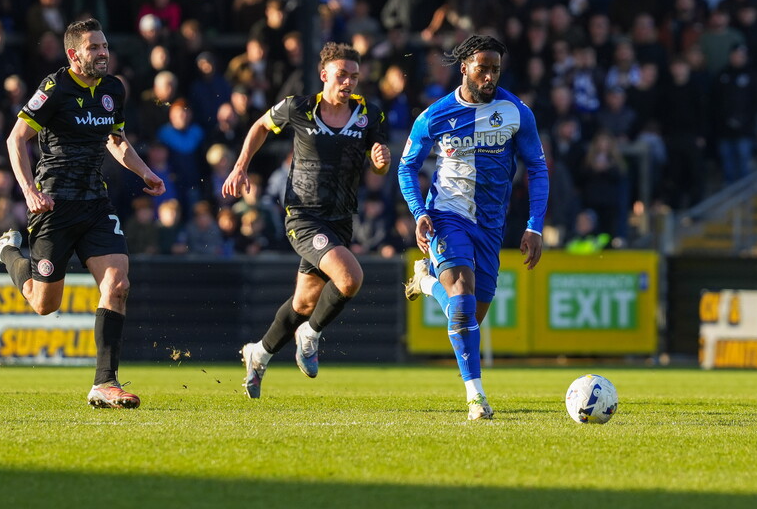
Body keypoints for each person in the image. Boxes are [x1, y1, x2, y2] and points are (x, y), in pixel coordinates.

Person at [0, 18, 165, 408]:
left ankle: (104, 383)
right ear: (73, 54)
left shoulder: (113, 89)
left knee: (118, 284)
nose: (103, 53)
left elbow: (116, 140)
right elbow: (16, 139)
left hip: (95, 203)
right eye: (94, 47)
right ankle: (5, 251)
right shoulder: (54, 88)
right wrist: (29, 191)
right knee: (45, 304)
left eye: (105, 46)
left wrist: (145, 173)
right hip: (54, 206)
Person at [225, 42, 390, 398]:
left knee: (303, 304)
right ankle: (310, 335)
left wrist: (381, 158)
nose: (348, 82)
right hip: (303, 216)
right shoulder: (299, 107)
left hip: (340, 220)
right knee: (349, 279)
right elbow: (260, 126)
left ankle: (259, 353)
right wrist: (240, 166)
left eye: (355, 76)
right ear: (324, 74)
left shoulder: (369, 114)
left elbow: (380, 163)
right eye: (342, 74)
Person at [399, 35, 549, 420]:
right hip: (447, 217)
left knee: (470, 315)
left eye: (495, 69)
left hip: (491, 227)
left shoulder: (517, 112)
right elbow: (406, 167)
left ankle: (427, 283)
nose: (489, 76)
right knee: (463, 301)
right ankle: (476, 399)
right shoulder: (434, 115)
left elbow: (537, 168)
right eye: (482, 68)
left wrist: (534, 226)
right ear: (464, 67)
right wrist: (419, 211)